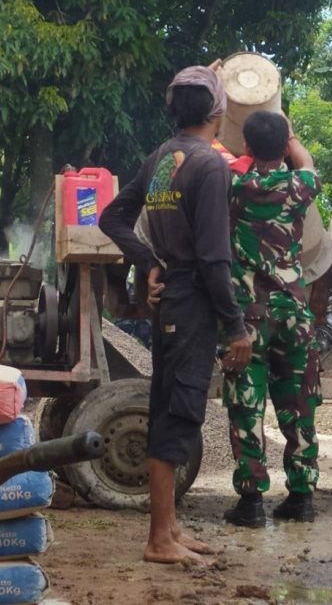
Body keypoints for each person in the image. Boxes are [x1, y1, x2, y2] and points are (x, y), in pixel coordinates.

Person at [99, 64, 250, 564]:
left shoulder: (161, 158)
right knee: (177, 411)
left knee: (168, 402)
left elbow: (113, 217)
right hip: (194, 299)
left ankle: (170, 528)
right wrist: (236, 326)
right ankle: (158, 539)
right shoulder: (210, 166)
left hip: (172, 296)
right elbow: (214, 257)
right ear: (219, 112)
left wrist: (147, 261)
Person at [222, 111, 323, 527]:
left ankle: (250, 503)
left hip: (247, 320)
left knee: (247, 407)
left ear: (246, 148)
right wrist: (291, 134)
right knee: (299, 405)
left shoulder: (233, 186)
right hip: (295, 316)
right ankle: (301, 496)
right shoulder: (299, 186)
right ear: (284, 147)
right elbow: (308, 163)